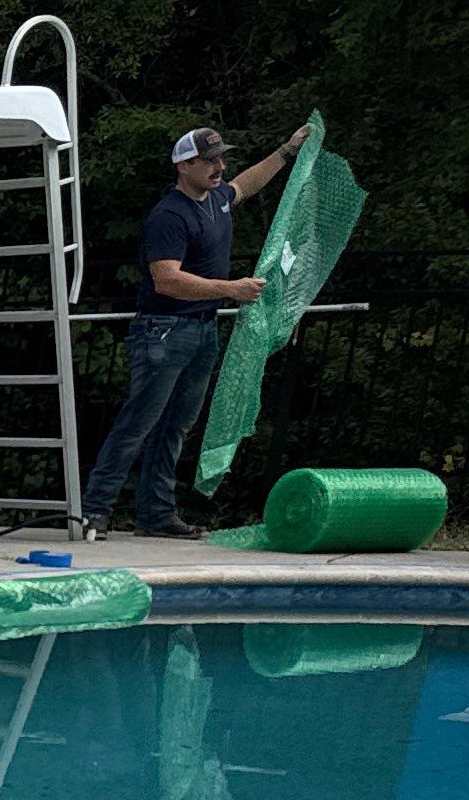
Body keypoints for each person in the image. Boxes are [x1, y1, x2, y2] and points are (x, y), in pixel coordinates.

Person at [84, 122, 312, 538]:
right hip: (165, 330)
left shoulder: (217, 199)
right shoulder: (169, 215)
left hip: (202, 330)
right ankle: (93, 510)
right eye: (210, 161)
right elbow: (166, 279)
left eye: (221, 158)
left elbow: (246, 184)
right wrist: (232, 289)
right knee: (139, 422)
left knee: (175, 426)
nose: (220, 167)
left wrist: (285, 152)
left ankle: (155, 514)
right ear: (184, 165)